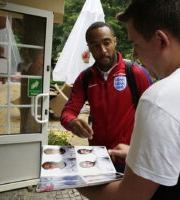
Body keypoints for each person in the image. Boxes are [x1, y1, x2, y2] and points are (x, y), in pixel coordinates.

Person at [78, 0, 180, 200]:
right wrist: (138, 154)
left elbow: (129, 196)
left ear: (160, 40)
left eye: (136, 44)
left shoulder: (161, 99)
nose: (136, 55)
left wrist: (75, 179)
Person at [61, 21, 152, 173]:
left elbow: (155, 115)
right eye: (95, 45)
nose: (103, 50)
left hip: (129, 157)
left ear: (115, 41)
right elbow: (67, 112)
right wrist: (72, 122)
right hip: (98, 157)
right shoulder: (85, 78)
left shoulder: (136, 73)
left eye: (107, 43)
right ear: (89, 48)